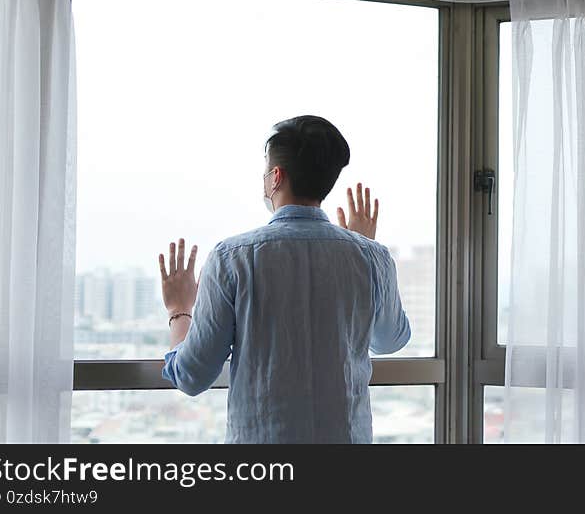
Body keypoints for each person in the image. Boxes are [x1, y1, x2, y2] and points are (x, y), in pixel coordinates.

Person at [158, 115, 411, 443]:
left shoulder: (231, 257)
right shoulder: (371, 257)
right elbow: (390, 339)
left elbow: (192, 375)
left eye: (266, 171)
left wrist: (179, 309)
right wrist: (368, 255)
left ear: (276, 177)